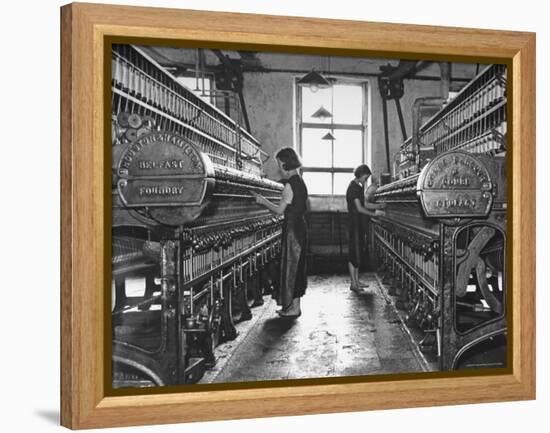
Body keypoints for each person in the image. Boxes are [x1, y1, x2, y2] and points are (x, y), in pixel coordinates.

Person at [251, 147, 308, 318]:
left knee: (291, 266)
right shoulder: (301, 181)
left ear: (284, 164)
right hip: (300, 227)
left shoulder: (290, 185)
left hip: (292, 230)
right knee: (297, 268)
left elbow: (279, 210)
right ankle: (294, 307)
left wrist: (262, 200)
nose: (279, 168)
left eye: (279, 164)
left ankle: (292, 308)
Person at [346, 164, 385, 293]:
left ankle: (357, 281)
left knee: (358, 252)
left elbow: (365, 204)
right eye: (366, 177)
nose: (366, 180)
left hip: (359, 224)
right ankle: (353, 283)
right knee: (354, 253)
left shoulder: (358, 187)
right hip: (354, 224)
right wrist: (375, 214)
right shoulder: (353, 188)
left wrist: (379, 206)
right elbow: (360, 208)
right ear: (361, 175)